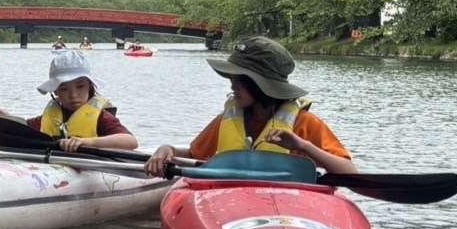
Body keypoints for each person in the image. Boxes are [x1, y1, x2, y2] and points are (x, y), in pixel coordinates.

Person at [144, 36, 358, 177]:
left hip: (287, 207)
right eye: (232, 78)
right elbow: (193, 153)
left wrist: (302, 146)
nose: (232, 85)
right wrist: (169, 149)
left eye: (241, 79)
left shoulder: (304, 123)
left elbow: (349, 172)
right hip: (235, 203)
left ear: (262, 84)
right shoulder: (228, 119)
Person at [0, 49, 137, 152]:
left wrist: (87, 142)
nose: (73, 95)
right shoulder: (51, 117)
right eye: (64, 89)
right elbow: (22, 128)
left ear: (89, 86)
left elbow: (130, 141)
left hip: (92, 169)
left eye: (80, 86)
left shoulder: (102, 118)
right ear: (55, 91)